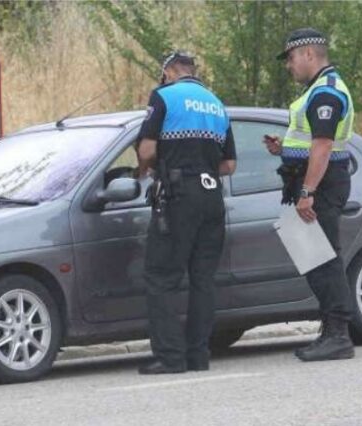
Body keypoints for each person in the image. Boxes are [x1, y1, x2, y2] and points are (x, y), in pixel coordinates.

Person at [136, 51, 237, 374]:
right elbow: (229, 165)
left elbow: (147, 148)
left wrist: (148, 169)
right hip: (212, 199)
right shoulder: (216, 103)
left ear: (168, 71)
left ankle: (170, 357)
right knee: (202, 280)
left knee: (161, 277)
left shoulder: (165, 96)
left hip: (179, 197)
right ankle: (198, 356)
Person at [264, 28, 356, 362]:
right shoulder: (315, 91)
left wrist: (307, 192)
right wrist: (284, 149)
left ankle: (338, 335)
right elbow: (309, 143)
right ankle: (330, 329)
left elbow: (323, 145)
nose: (289, 66)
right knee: (312, 259)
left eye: (290, 58)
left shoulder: (326, 93)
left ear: (308, 55)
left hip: (321, 185)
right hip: (311, 181)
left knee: (324, 259)